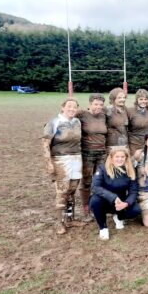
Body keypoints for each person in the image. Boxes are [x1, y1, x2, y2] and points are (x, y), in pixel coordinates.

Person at [42, 98, 83, 234]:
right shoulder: (54, 122)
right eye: (69, 106)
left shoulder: (77, 122)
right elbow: (45, 144)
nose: (72, 109)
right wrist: (48, 163)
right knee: (62, 191)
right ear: (62, 107)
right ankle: (59, 223)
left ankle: (70, 219)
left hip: (76, 159)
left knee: (72, 190)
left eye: (74, 107)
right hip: (60, 160)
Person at [89, 147, 141, 240]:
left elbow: (133, 191)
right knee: (95, 201)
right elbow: (95, 187)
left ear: (126, 158)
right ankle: (103, 228)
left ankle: (119, 217)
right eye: (117, 156)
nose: (120, 159)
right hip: (105, 200)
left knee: (136, 210)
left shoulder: (130, 170)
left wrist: (126, 203)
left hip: (120, 202)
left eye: (122, 157)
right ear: (111, 157)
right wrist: (113, 197)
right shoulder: (102, 169)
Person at [77, 93, 108, 220]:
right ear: (90, 104)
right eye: (96, 104)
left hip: (102, 153)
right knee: (87, 180)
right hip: (87, 153)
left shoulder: (104, 115)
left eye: (101, 104)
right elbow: (65, 117)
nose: (98, 107)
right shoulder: (82, 114)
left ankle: (98, 205)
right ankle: (86, 208)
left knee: (100, 179)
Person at [127, 88, 148, 154]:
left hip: (147, 143)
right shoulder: (130, 111)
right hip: (134, 144)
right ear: (137, 100)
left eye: (145, 99)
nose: (143, 101)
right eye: (141, 99)